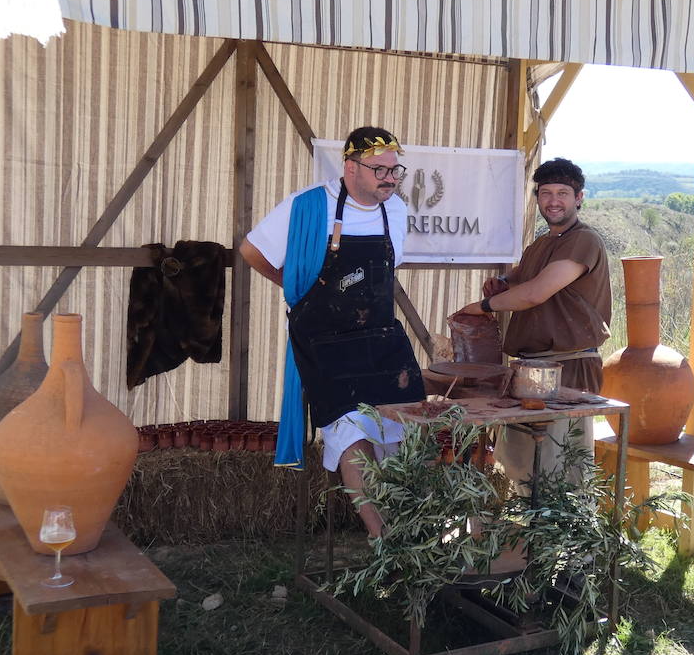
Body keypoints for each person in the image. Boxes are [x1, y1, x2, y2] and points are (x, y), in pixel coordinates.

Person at [239, 126, 424, 538]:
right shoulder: (307, 206)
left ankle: (411, 531)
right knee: (351, 435)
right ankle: (381, 538)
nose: (390, 179)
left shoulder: (395, 211)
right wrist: (297, 290)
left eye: (395, 170)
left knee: (407, 430)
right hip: (325, 342)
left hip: (381, 337)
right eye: (379, 170)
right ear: (350, 167)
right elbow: (251, 251)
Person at [456, 157, 611, 485]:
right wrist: (503, 282)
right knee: (525, 469)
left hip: (568, 366)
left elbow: (536, 292)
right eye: (546, 193)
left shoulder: (584, 240)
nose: (553, 201)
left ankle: (566, 521)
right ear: (537, 198)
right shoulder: (542, 243)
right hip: (529, 370)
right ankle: (533, 519)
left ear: (579, 198)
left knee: (562, 472)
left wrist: (484, 306)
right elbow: (524, 277)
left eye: (562, 193)